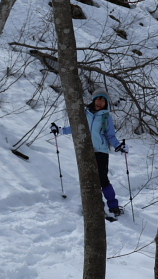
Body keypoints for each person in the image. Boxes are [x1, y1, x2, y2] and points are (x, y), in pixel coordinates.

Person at [51, 88, 128, 217]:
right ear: (93, 100)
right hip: (85, 150)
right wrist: (60, 130)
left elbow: (111, 136)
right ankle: (92, 206)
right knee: (89, 180)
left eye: (103, 100)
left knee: (103, 180)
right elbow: (76, 128)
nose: (100, 102)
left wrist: (119, 146)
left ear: (106, 103)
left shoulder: (106, 117)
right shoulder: (85, 114)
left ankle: (113, 206)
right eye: (98, 99)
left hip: (101, 152)